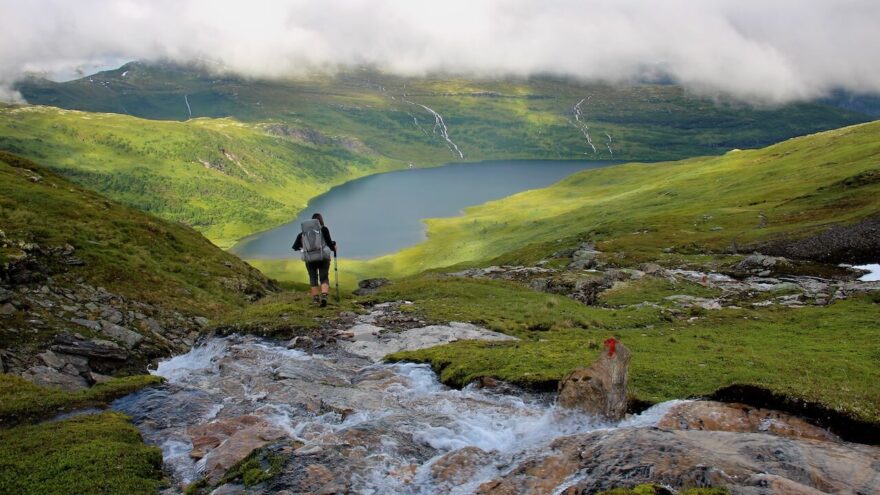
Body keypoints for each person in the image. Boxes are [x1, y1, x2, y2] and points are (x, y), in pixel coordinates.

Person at [292, 213, 337, 306]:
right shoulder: (324, 229)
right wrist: (334, 247)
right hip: (323, 257)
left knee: (313, 277)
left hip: (310, 259)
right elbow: (329, 243)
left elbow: (295, 247)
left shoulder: (303, 233)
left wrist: (304, 247)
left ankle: (316, 298)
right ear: (320, 221)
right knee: (324, 277)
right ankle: (324, 296)